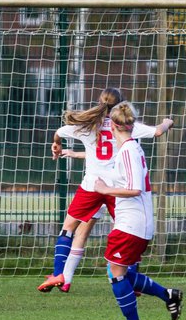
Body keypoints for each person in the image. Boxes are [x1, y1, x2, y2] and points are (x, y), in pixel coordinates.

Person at [38, 88, 173, 293]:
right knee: (128, 231)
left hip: (92, 185)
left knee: (69, 228)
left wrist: (56, 145)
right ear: (121, 106)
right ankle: (133, 281)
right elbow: (158, 131)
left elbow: (60, 132)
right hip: (116, 188)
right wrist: (167, 121)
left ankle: (60, 274)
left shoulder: (87, 125)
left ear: (99, 102)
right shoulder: (125, 125)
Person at [91, 102, 184, 320]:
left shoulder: (129, 151)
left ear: (112, 125)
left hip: (132, 223)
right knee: (118, 271)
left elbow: (134, 189)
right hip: (131, 222)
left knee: (116, 274)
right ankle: (168, 295)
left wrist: (105, 189)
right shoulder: (129, 149)